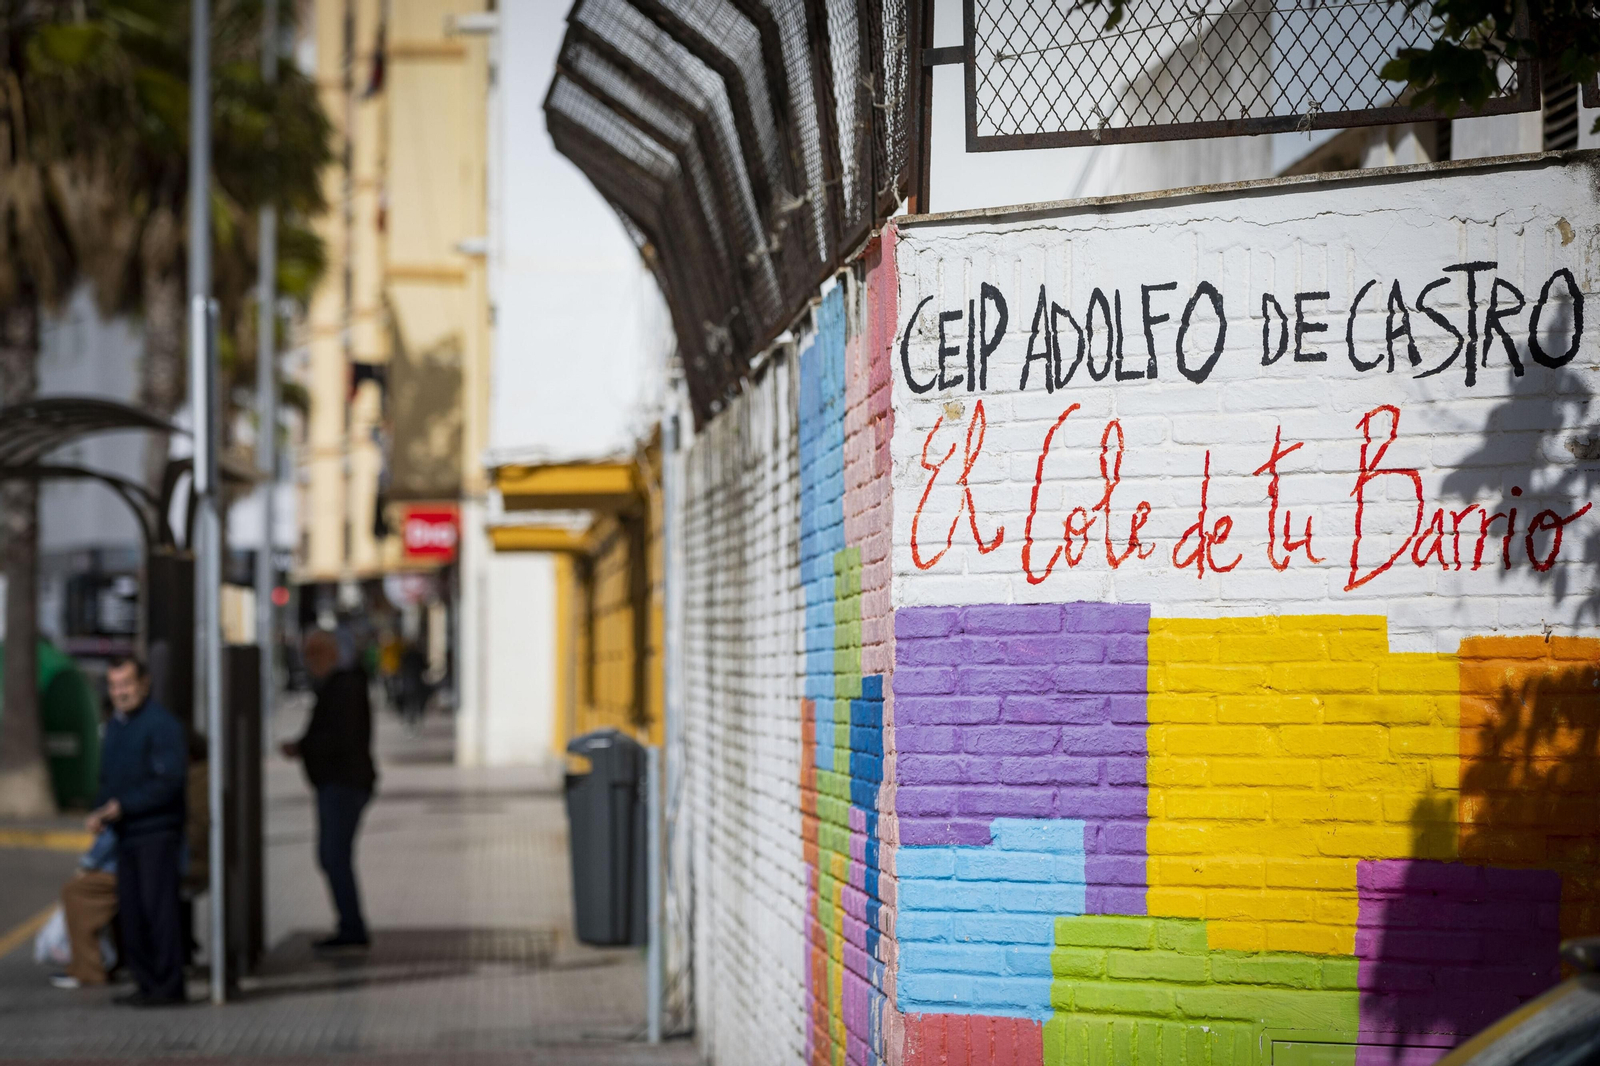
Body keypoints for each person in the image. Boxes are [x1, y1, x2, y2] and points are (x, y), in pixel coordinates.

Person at [86, 656, 188, 1006]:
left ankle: (168, 986)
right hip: (126, 834)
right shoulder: (116, 726)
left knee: (158, 913)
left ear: (144, 684)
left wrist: (123, 806)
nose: (120, 692)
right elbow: (109, 777)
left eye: (126, 684)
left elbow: (169, 781)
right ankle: (146, 984)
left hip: (156, 833)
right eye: (114, 686)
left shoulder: (161, 726)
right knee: (131, 913)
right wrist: (101, 812)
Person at [281, 629, 377, 950]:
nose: (310, 663)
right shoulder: (338, 686)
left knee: (334, 856)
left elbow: (339, 739)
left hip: (343, 783)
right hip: (339, 781)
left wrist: (307, 748)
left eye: (315, 654)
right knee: (333, 856)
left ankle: (352, 926)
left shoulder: (343, 687)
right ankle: (350, 923)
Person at [48, 828, 119, 989]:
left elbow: (111, 835)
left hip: (121, 869)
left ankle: (88, 970)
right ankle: (94, 965)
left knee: (74, 892)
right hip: (136, 864)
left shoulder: (118, 805)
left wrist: (87, 864)